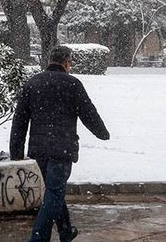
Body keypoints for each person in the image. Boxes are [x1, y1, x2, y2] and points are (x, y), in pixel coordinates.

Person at [10, 45, 110, 242]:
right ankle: (38, 238)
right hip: (62, 151)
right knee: (54, 194)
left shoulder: (33, 83)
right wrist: (102, 133)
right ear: (67, 62)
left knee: (55, 191)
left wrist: (16, 151)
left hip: (39, 150)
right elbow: (88, 113)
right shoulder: (72, 84)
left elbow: (19, 121)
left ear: (49, 61)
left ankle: (65, 231)